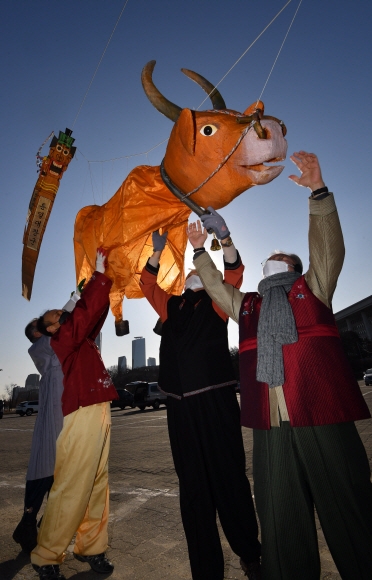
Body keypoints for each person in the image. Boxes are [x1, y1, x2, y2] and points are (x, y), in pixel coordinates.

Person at [188, 150, 372, 580]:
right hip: (270, 428)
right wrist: (200, 251)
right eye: (269, 258)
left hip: (322, 414)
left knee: (350, 506)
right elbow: (215, 287)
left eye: (280, 257)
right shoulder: (247, 305)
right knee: (279, 517)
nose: (272, 259)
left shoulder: (313, 288)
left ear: (292, 267)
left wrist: (317, 192)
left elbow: (328, 248)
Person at [140, 231, 261, 580]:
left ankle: (250, 554)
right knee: (193, 489)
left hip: (216, 403)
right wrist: (157, 250)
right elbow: (148, 283)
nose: (193, 275)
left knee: (230, 478)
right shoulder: (171, 307)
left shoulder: (217, 301)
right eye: (189, 274)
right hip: (180, 410)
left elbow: (235, 273)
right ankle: (206, 570)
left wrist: (214, 241)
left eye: (198, 273)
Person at [30, 249, 118, 580]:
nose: (64, 315)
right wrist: (97, 276)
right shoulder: (63, 340)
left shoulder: (78, 336)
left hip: (99, 408)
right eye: (58, 315)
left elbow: (95, 312)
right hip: (80, 414)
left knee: (97, 484)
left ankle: (91, 547)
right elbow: (83, 316)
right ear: (50, 329)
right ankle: (46, 554)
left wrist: (104, 284)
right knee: (71, 485)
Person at [12, 319, 64, 553]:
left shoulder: (51, 347)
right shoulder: (40, 347)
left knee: (55, 476)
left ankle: (40, 526)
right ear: (35, 332)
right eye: (41, 323)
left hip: (59, 420)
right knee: (44, 472)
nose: (49, 324)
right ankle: (29, 525)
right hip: (52, 424)